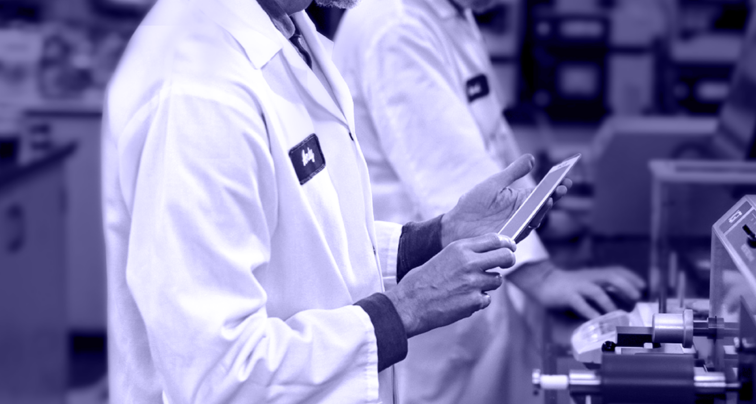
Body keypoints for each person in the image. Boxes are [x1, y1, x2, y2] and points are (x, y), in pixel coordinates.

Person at [100, 0, 570, 401]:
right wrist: (405, 308)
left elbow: (307, 235)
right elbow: (219, 374)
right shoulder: (199, 92)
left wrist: (437, 237)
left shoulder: (290, 33)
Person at [334, 0, 647, 402]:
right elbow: (449, 170)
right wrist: (545, 278)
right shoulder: (395, 27)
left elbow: (490, 139)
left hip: (473, 282)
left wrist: (539, 211)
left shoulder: (449, 15)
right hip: (428, 293)